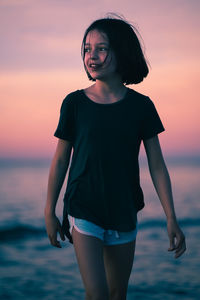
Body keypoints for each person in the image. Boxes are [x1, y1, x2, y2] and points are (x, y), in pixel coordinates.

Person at [44, 15, 186, 300]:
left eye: (101, 48)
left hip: (124, 209)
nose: (91, 56)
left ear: (121, 52)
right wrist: (49, 210)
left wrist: (171, 216)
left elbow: (157, 165)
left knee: (117, 294)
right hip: (85, 207)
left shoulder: (142, 106)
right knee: (97, 294)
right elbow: (61, 160)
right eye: (86, 48)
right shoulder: (74, 103)